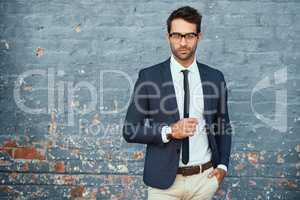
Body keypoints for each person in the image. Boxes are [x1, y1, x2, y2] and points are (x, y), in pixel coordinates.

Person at [123, 6, 232, 200]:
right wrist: (170, 131)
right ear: (168, 37)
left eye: (189, 35)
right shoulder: (149, 77)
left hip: (204, 180)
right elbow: (130, 130)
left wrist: (223, 166)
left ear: (199, 36)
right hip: (163, 185)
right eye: (177, 35)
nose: (183, 42)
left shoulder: (215, 77)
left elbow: (223, 124)